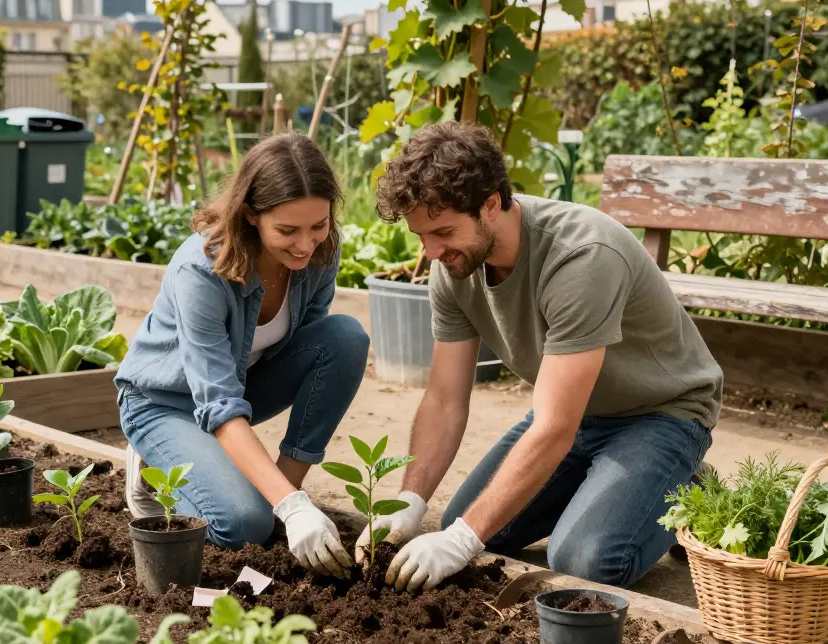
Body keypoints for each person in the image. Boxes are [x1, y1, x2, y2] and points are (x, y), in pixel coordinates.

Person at [364, 122, 722, 592]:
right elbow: (444, 400)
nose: (431, 251)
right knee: (466, 524)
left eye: (444, 232)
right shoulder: (453, 266)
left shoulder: (581, 255)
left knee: (582, 559)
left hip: (660, 414)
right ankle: (609, 487)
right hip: (575, 413)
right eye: (421, 235)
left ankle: (691, 486)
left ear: (491, 204)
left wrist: (460, 541)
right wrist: (408, 502)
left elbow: (554, 428)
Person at [115, 132, 368, 578]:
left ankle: (281, 491)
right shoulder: (202, 269)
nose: (306, 245)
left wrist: (291, 504)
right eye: (288, 231)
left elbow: (312, 350)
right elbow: (216, 402)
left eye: (318, 225)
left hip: (242, 385)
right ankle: (152, 462)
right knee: (244, 525)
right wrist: (290, 509)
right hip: (165, 403)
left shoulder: (320, 252)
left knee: (345, 338)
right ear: (251, 214)